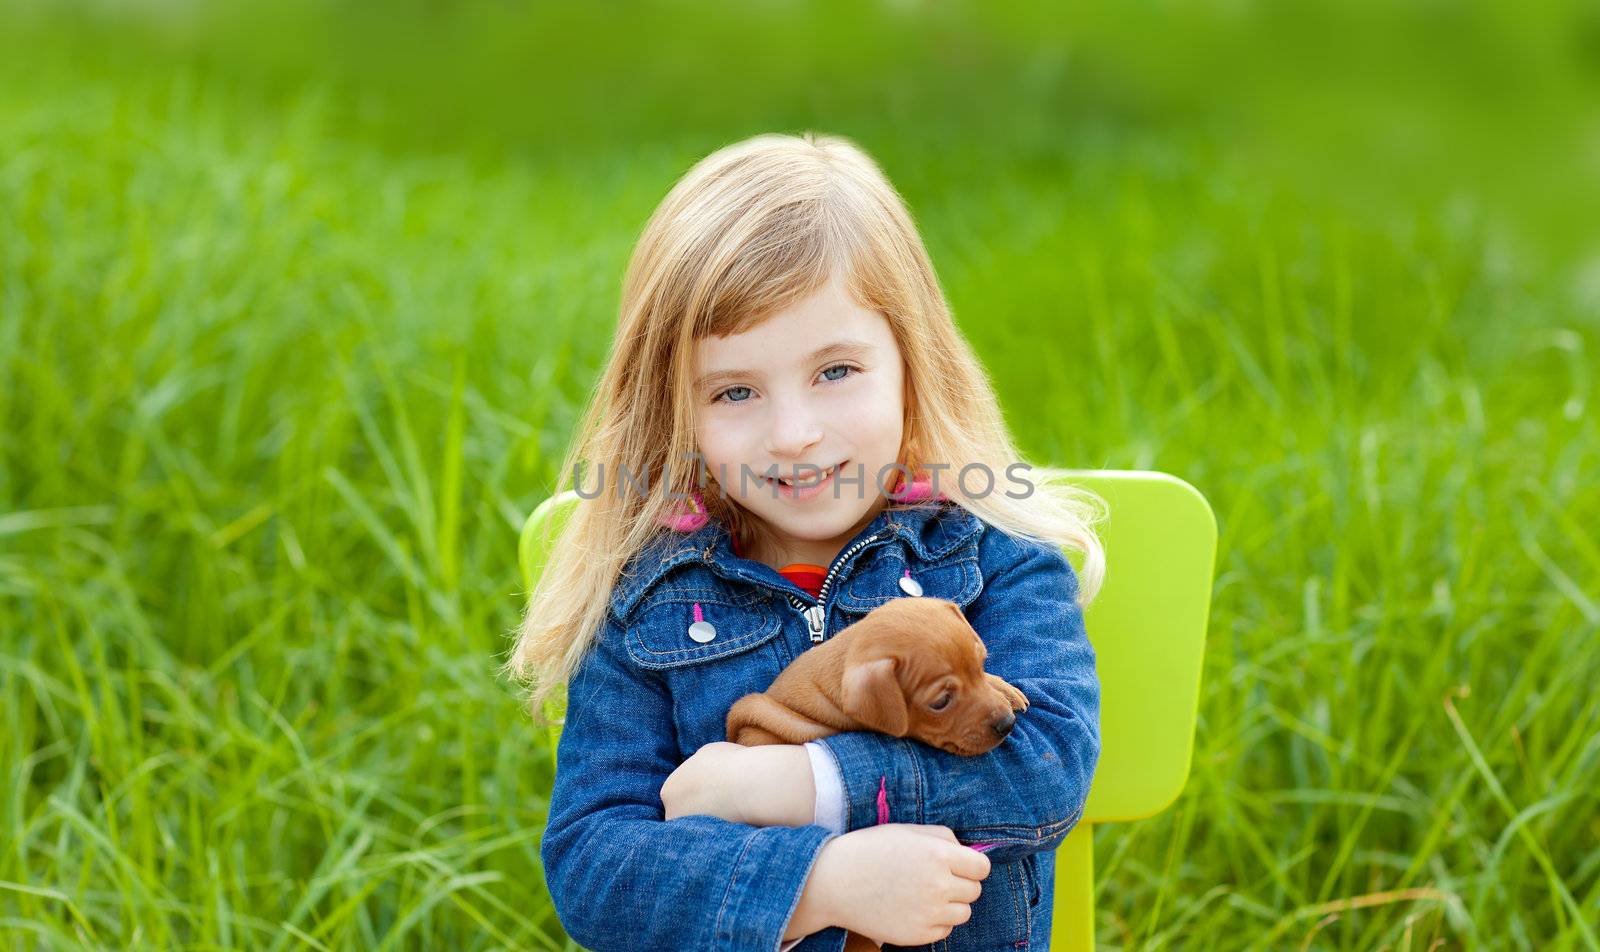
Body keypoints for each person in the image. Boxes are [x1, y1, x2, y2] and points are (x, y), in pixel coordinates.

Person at [504, 131, 1105, 951]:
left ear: (910, 365)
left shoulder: (995, 563)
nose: (793, 434)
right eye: (736, 390)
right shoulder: (648, 602)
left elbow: (1048, 770)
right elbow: (596, 866)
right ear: (675, 407)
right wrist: (816, 886)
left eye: (835, 372)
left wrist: (810, 785)